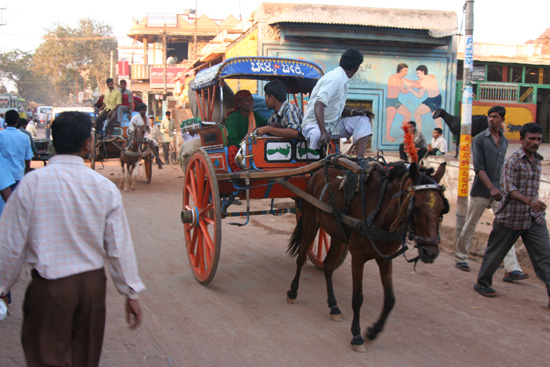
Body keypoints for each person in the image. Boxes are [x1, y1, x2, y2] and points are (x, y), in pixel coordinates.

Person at [0, 111, 145, 366]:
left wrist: (1, 286)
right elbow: (118, 247)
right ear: (88, 143)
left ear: (54, 142)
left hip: (49, 288)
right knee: (85, 357)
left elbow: (9, 245)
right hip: (91, 288)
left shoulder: (31, 185)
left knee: (45, 356)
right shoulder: (103, 188)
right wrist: (130, 292)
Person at [474, 123, 550, 308]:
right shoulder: (513, 161)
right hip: (511, 216)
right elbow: (509, 189)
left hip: (533, 218)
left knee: (545, 255)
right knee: (496, 253)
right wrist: (530, 201)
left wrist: (533, 204)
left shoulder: (538, 159)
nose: (535, 142)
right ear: (522, 139)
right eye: (531, 139)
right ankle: (482, 283)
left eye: (538, 139)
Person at [455, 106, 527, 280]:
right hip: (482, 189)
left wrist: (501, 188)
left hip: (498, 191)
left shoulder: (504, 141)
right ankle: (460, 258)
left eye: (495, 117)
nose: (491, 120)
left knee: (505, 228)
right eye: (490, 117)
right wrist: (491, 188)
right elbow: (478, 167)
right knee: (470, 224)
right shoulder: (479, 139)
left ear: (502, 120)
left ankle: (512, 269)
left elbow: (502, 166)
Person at [301, 48, 373, 158]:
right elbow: (318, 104)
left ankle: (360, 159)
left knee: (363, 120)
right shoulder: (335, 78)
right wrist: (323, 132)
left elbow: (339, 108)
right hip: (315, 125)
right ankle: (315, 161)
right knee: (317, 134)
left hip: (332, 126)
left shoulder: (342, 79)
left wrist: (357, 113)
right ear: (356, 68)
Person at [225, 90, 268, 171]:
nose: (251, 103)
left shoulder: (254, 115)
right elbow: (232, 141)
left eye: (251, 100)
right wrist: (247, 145)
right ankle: (238, 171)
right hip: (240, 151)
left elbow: (267, 123)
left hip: (252, 149)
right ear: (239, 103)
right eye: (247, 100)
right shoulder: (233, 118)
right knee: (232, 148)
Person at [0, 110, 33, 187]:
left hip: (3, 177)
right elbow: (28, 158)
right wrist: (26, 174)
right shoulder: (24, 137)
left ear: (5, 121)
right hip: (18, 175)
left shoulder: (1, 135)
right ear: (18, 121)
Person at [128, 103, 163, 169]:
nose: (144, 112)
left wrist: (147, 129)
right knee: (143, 141)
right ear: (139, 111)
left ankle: (157, 158)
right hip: (136, 135)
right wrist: (134, 131)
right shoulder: (135, 118)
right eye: (142, 110)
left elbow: (149, 130)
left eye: (145, 110)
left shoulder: (147, 119)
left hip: (145, 135)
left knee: (155, 143)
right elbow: (131, 127)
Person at [409, 65, 443, 131]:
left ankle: (420, 133)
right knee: (437, 121)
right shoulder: (431, 76)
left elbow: (419, 95)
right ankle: (420, 133)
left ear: (423, 71)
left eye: (418, 73)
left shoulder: (424, 80)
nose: (417, 75)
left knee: (417, 115)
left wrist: (411, 90)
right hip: (435, 99)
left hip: (433, 101)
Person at [384, 63, 413, 142]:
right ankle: (387, 135)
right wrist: (410, 88)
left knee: (408, 114)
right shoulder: (394, 78)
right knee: (390, 119)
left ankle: (405, 133)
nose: (406, 73)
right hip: (390, 101)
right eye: (405, 71)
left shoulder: (399, 78)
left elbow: (408, 82)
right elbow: (403, 91)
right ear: (400, 70)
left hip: (396, 100)